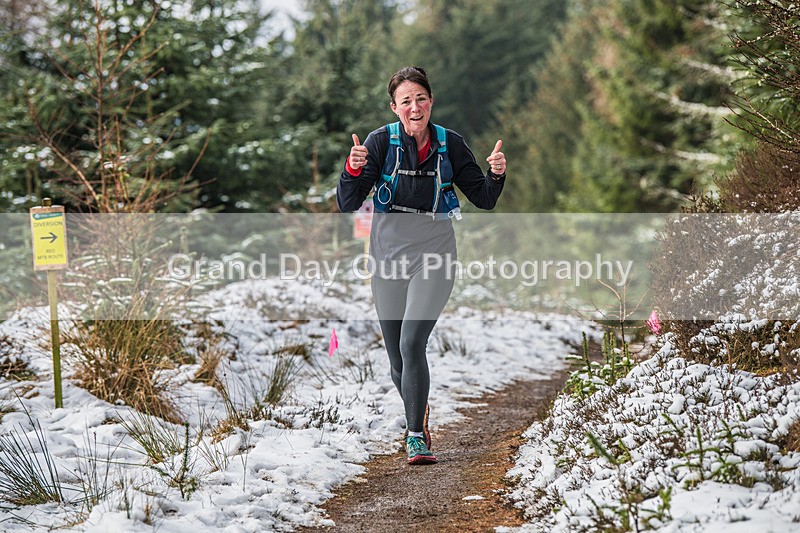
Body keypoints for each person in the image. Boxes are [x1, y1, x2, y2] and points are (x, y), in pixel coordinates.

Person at [336, 66, 506, 465]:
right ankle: (419, 409)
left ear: (431, 101)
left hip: (435, 255)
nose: (415, 107)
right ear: (394, 107)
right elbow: (346, 203)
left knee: (413, 343)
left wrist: (496, 175)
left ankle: (415, 436)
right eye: (406, 101)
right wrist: (353, 169)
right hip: (388, 259)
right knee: (397, 358)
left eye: (421, 98)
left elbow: (482, 197)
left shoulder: (451, 144)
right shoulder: (379, 144)